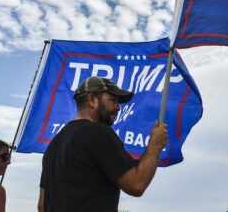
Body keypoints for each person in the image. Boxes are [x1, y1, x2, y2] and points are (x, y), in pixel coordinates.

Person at [38, 76, 168, 212]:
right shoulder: (98, 133)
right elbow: (136, 184)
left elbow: (42, 206)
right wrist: (155, 145)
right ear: (91, 100)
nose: (118, 108)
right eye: (112, 100)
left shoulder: (53, 146)